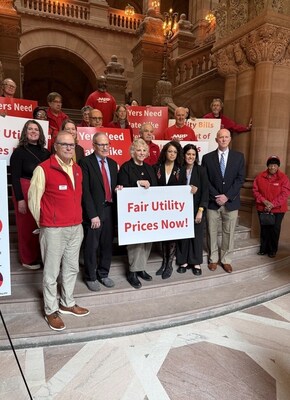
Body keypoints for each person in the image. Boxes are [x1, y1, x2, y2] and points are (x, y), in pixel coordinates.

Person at [28, 131, 89, 331]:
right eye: (64, 144)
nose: (69, 148)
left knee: (72, 268)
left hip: (75, 227)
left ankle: (67, 303)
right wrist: (44, 223)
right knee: (51, 272)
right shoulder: (43, 169)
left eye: (72, 145)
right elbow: (33, 200)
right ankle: (50, 309)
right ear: (55, 146)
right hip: (53, 229)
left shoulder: (78, 169)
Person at [202, 128, 245, 273]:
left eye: (226, 137)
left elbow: (240, 180)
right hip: (213, 202)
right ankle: (213, 258)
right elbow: (205, 180)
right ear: (216, 140)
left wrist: (227, 196)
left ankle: (226, 259)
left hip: (231, 202)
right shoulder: (207, 158)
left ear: (230, 139)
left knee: (229, 232)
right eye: (221, 137)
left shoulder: (239, 157)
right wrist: (217, 196)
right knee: (212, 231)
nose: (224, 139)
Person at [79, 132, 118, 292]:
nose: (104, 147)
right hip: (94, 212)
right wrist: (92, 214)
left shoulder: (113, 163)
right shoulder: (85, 163)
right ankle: (91, 276)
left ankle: (103, 273)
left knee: (107, 245)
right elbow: (85, 191)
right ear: (93, 146)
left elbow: (114, 185)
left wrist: (118, 188)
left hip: (110, 210)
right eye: (101, 145)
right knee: (91, 246)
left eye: (107, 144)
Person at [10, 120, 50, 270]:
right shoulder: (19, 152)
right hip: (25, 190)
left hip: (43, 191)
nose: (33, 131)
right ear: (25, 133)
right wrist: (20, 199)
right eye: (30, 129)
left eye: (36, 129)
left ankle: (40, 255)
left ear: (40, 133)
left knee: (40, 225)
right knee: (26, 226)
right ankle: (27, 259)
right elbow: (14, 177)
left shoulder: (46, 152)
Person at [118, 138, 157, 289]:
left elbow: (155, 186)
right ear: (133, 152)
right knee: (135, 242)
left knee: (147, 241)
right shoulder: (126, 167)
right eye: (138, 150)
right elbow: (121, 187)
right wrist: (137, 183)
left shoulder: (149, 168)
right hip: (133, 214)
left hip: (148, 212)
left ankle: (141, 268)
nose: (141, 153)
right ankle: (132, 271)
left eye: (143, 151)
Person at [154, 141, 187, 279]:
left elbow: (183, 188)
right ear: (165, 152)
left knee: (172, 237)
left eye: (175, 152)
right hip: (160, 207)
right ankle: (164, 262)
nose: (172, 154)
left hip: (174, 208)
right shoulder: (157, 167)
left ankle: (169, 265)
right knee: (163, 236)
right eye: (170, 151)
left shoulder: (181, 169)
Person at [176, 144, 209, 275]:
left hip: (197, 208)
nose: (191, 157)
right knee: (183, 235)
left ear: (196, 156)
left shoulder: (201, 170)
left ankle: (195, 262)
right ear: (184, 155)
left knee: (197, 235)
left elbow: (205, 191)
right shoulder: (179, 169)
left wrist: (201, 210)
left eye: (193, 154)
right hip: (181, 209)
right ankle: (183, 261)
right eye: (188, 154)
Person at [253, 155, 290, 258]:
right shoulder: (260, 177)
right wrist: (264, 201)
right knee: (264, 228)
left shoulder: (284, 178)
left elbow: (285, 194)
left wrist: (272, 204)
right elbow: (255, 191)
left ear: (278, 166)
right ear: (267, 166)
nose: (272, 167)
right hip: (263, 207)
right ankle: (263, 249)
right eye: (270, 165)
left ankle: (272, 250)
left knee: (275, 229)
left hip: (278, 209)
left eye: (274, 165)